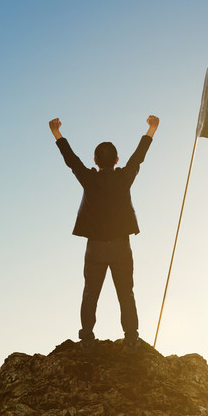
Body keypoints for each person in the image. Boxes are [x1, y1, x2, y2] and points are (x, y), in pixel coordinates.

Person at [50, 115, 159, 351]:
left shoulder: (89, 178)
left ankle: (87, 338)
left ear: (95, 160)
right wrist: (151, 130)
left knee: (90, 294)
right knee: (126, 293)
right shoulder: (124, 177)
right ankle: (131, 337)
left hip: (96, 247)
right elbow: (138, 158)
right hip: (121, 245)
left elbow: (72, 161)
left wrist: (57, 133)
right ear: (117, 160)